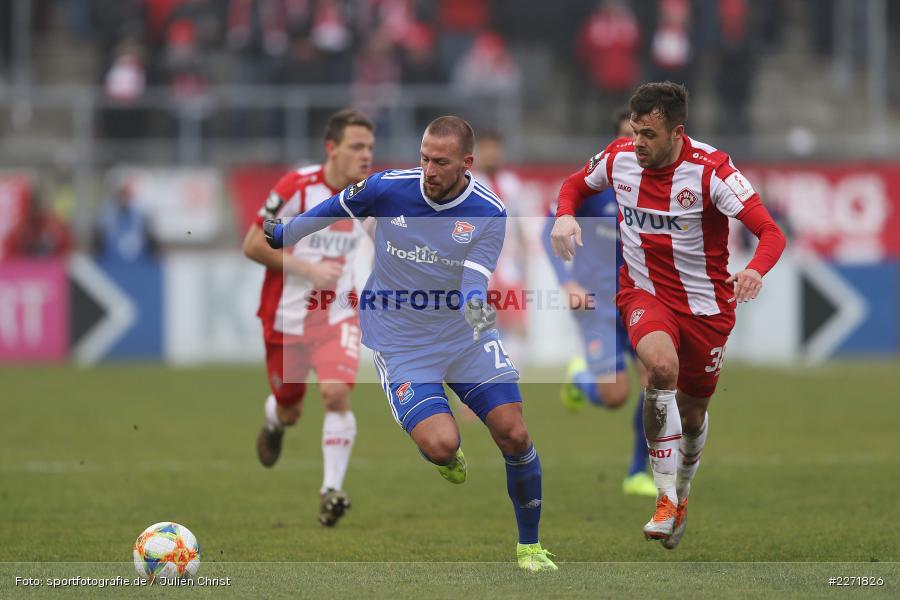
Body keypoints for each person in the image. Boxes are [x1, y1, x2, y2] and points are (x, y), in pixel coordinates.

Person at [264, 116, 557, 572]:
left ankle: (530, 547)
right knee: (442, 445)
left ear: (467, 163)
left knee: (514, 433)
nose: (429, 170)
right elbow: (335, 207)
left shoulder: (489, 211)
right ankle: (444, 453)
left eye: (440, 162)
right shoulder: (388, 188)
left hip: (463, 337)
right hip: (401, 341)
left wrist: (480, 318)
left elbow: (475, 283)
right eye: (424, 158)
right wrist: (286, 233)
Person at [550, 82, 785, 549]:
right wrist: (564, 215)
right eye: (635, 131)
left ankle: (682, 492)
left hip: (706, 309)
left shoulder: (712, 171)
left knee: (693, 415)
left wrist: (755, 270)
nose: (638, 142)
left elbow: (770, 232)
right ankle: (663, 500)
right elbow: (575, 184)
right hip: (643, 295)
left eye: (649, 134)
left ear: (677, 132)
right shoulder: (618, 157)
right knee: (659, 370)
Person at [242, 108, 375, 527]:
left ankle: (330, 490)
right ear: (331, 149)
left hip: (337, 315)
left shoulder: (373, 195)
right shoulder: (298, 187)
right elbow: (252, 245)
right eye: (357, 147)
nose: (366, 155)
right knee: (290, 411)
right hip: (285, 318)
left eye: (370, 147)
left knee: (335, 393)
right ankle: (274, 420)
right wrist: (308, 269)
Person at [541, 108, 656, 498]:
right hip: (599, 306)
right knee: (615, 396)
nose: (636, 145)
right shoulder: (595, 186)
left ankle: (637, 471)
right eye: (627, 137)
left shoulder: (660, 188)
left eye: (643, 136)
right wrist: (568, 282)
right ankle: (580, 379)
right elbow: (549, 229)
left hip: (641, 300)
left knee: (655, 381)